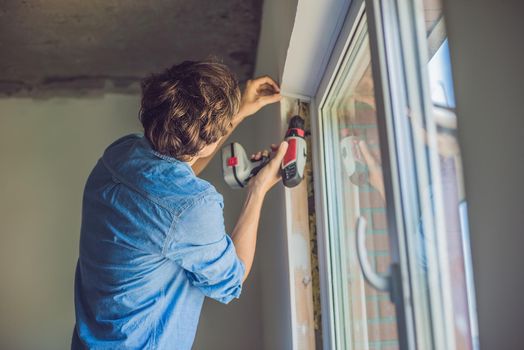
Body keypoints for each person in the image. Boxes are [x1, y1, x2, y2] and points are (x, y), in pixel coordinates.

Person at [71, 60, 287, 349]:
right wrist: (258, 189)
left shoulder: (123, 152)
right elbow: (232, 279)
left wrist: (236, 113)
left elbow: (176, 178)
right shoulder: (192, 207)